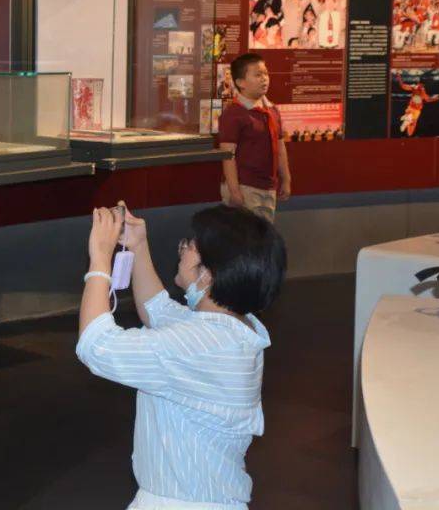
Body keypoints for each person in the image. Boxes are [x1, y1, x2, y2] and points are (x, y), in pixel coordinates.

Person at [77, 203, 287, 509]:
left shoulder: (201, 345)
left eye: (191, 245)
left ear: (209, 274)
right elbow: (158, 311)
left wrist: (99, 260)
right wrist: (138, 246)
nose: (183, 248)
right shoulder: (235, 330)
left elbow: (96, 345)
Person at [217, 53, 291, 223]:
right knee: (243, 235)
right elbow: (227, 155)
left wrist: (286, 178)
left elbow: (280, 147)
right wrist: (234, 191)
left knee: (264, 235)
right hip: (245, 187)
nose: (264, 79)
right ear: (240, 82)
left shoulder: (272, 110)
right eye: (257, 75)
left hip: (268, 187)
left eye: (265, 73)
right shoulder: (233, 113)